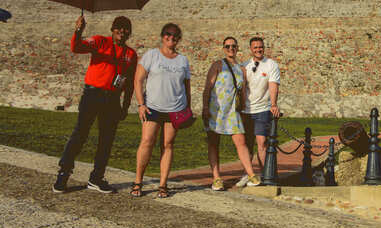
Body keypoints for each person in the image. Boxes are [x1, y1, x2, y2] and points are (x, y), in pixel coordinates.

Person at [53, 15, 137, 194]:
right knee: (80, 134)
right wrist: (79, 30)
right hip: (93, 94)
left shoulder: (131, 54)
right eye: (118, 28)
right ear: (112, 29)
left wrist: (126, 105)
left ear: (129, 33)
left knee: (106, 139)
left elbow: (129, 83)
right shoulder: (100, 42)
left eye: (125, 29)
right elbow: (77, 47)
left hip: (113, 99)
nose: (122, 32)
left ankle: (96, 178)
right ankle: (63, 173)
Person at [131, 23, 191, 198]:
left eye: (175, 36)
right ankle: (138, 181)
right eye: (167, 34)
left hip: (175, 108)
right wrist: (141, 104)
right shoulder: (152, 55)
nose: (171, 38)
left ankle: (163, 184)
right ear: (162, 36)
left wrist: (187, 107)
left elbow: (186, 86)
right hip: (153, 107)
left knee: (168, 144)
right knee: (147, 141)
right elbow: (138, 80)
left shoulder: (182, 60)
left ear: (179, 39)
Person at [202, 37, 260, 191]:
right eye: (227, 46)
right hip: (216, 109)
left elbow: (242, 91)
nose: (230, 49)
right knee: (214, 143)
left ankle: (251, 174)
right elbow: (208, 87)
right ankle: (216, 178)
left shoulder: (241, 69)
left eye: (233, 46)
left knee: (240, 141)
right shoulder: (218, 65)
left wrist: (243, 108)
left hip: (233, 112)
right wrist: (205, 107)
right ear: (223, 48)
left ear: (237, 48)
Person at [235, 36, 281, 188]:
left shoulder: (271, 65)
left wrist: (273, 104)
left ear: (264, 47)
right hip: (246, 110)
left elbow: (273, 85)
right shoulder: (244, 66)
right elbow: (240, 88)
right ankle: (247, 174)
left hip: (262, 109)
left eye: (260, 47)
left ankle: (264, 174)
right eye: (255, 48)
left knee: (262, 142)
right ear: (251, 49)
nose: (258, 50)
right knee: (246, 144)